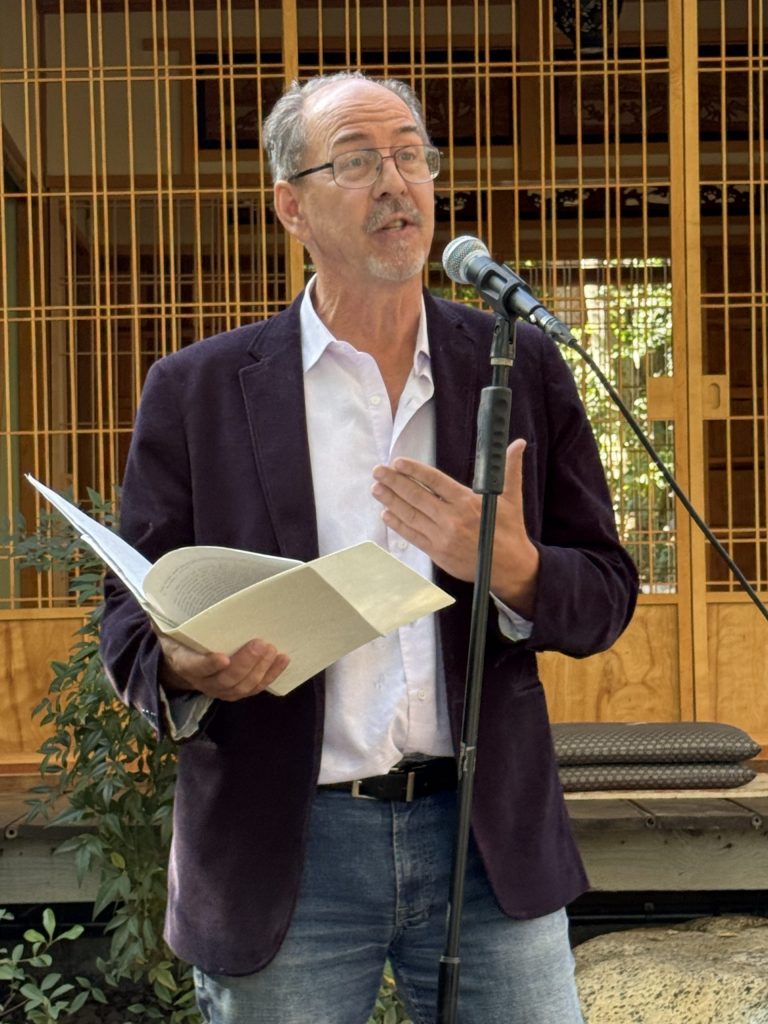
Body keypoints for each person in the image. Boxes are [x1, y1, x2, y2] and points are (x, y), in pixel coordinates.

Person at [100, 71, 638, 1024]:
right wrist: (185, 668)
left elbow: (604, 594)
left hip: (486, 839)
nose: (397, 183)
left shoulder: (515, 364)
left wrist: (510, 567)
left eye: (411, 156)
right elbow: (129, 626)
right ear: (291, 206)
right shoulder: (198, 391)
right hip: (286, 847)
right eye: (357, 161)